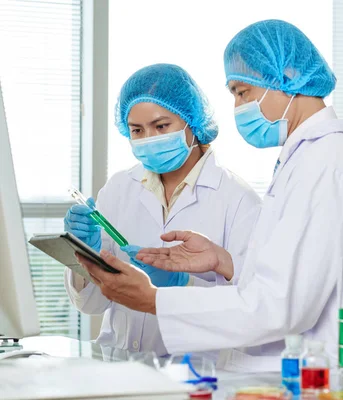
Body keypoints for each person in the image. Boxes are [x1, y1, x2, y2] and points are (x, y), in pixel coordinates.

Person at [75, 20, 343, 371]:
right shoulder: (307, 159)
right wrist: (224, 262)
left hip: (317, 375)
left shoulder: (327, 163)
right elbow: (290, 278)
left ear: (287, 74)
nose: (239, 107)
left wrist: (154, 301)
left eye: (242, 92)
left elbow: (280, 305)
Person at [64, 64, 261, 355]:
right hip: (118, 367)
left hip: (196, 375)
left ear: (192, 122)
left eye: (161, 126)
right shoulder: (119, 187)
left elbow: (252, 311)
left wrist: (183, 284)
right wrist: (84, 256)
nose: (149, 139)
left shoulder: (239, 200)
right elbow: (92, 304)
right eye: (137, 130)